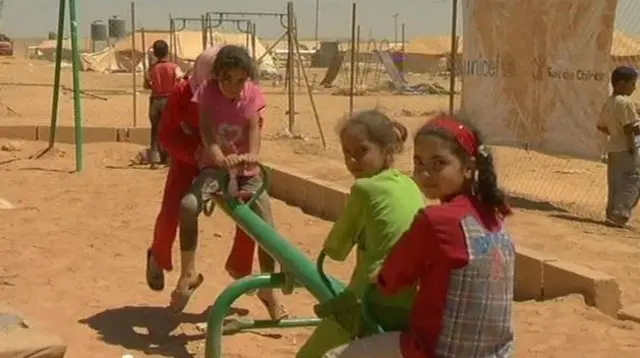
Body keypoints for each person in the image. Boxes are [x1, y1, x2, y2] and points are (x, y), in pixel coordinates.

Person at [323, 114, 516, 358]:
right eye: (419, 163)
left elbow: (392, 277)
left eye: (438, 164)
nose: (424, 174)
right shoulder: (493, 217)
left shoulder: (435, 220)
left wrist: (379, 277)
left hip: (435, 350)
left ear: (468, 167)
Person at [297, 110, 424, 358]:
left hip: (374, 295)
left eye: (361, 151)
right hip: (412, 299)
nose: (353, 161)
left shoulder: (364, 189)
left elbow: (335, 250)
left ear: (387, 149)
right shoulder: (409, 183)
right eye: (347, 153)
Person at [173, 44, 287, 319]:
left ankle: (268, 288)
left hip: (246, 170)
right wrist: (218, 157)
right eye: (229, 80)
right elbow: (208, 132)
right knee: (188, 205)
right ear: (217, 76)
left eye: (240, 80)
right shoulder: (208, 93)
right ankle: (188, 272)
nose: (235, 86)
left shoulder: (251, 94)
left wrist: (252, 156)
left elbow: (253, 128)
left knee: (267, 229)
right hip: (215, 167)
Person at [145, 47, 218, 292]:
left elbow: (251, 119)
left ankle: (243, 269)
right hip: (188, 156)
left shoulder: (237, 90)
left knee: (251, 208)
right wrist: (193, 152)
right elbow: (167, 134)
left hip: (223, 159)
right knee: (171, 212)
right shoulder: (183, 91)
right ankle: (158, 256)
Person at [596, 65, 640, 228]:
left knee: (615, 182)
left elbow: (600, 126)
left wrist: (615, 131)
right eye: (632, 83)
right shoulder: (626, 102)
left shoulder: (609, 101)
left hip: (613, 147)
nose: (634, 87)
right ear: (621, 83)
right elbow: (630, 128)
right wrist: (631, 147)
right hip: (626, 148)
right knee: (632, 181)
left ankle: (611, 213)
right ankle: (620, 214)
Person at [144, 39, 183, 167]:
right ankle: (169, 158)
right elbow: (180, 82)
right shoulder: (174, 67)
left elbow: (146, 84)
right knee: (171, 130)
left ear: (155, 53)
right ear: (167, 51)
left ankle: (154, 160)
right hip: (169, 100)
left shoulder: (152, 69)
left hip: (155, 100)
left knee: (155, 130)